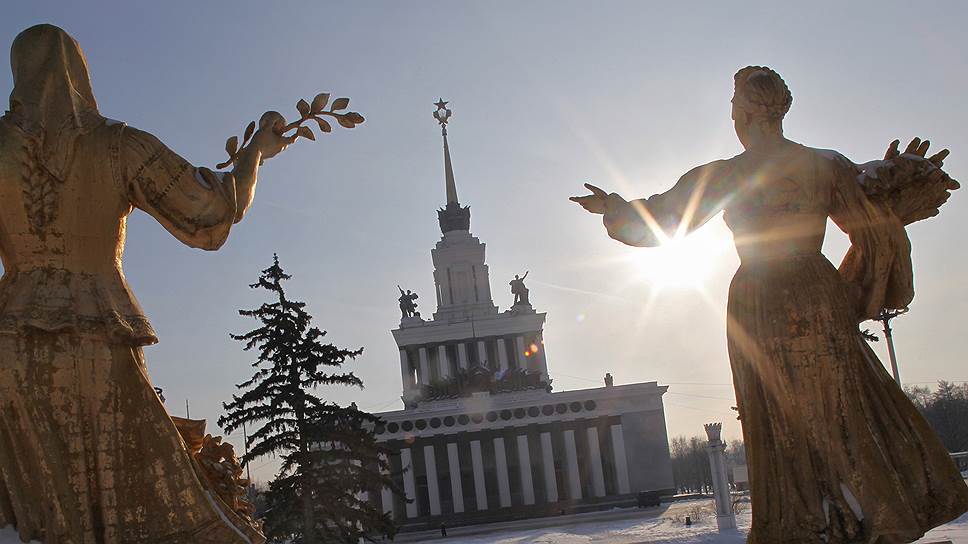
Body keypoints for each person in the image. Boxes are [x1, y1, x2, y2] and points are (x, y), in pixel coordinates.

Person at [572, 66, 968, 543]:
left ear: (745, 113)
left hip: (759, 299)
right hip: (817, 290)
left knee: (780, 417)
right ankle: (876, 513)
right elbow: (873, 224)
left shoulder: (728, 174)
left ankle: (805, 524)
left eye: (734, 106)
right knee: (845, 404)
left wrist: (614, 208)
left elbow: (662, 220)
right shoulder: (824, 164)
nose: (732, 116)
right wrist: (857, 286)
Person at [0, 25, 301, 543]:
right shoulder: (118, 144)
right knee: (140, 502)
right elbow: (209, 215)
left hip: (8, 346)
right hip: (99, 337)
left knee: (38, 515)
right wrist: (254, 154)